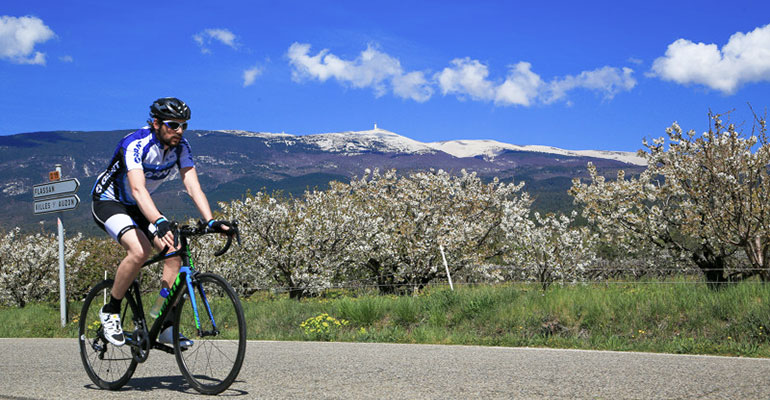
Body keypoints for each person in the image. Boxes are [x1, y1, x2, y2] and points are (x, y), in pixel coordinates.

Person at [91, 97, 228, 347]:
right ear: (156, 123)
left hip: (139, 206)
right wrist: (159, 220)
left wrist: (211, 221)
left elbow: (192, 185)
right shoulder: (134, 143)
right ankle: (110, 311)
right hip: (110, 201)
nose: (179, 131)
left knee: (173, 253)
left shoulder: (181, 147)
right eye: (173, 125)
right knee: (139, 249)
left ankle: (162, 320)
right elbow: (137, 189)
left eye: (183, 125)